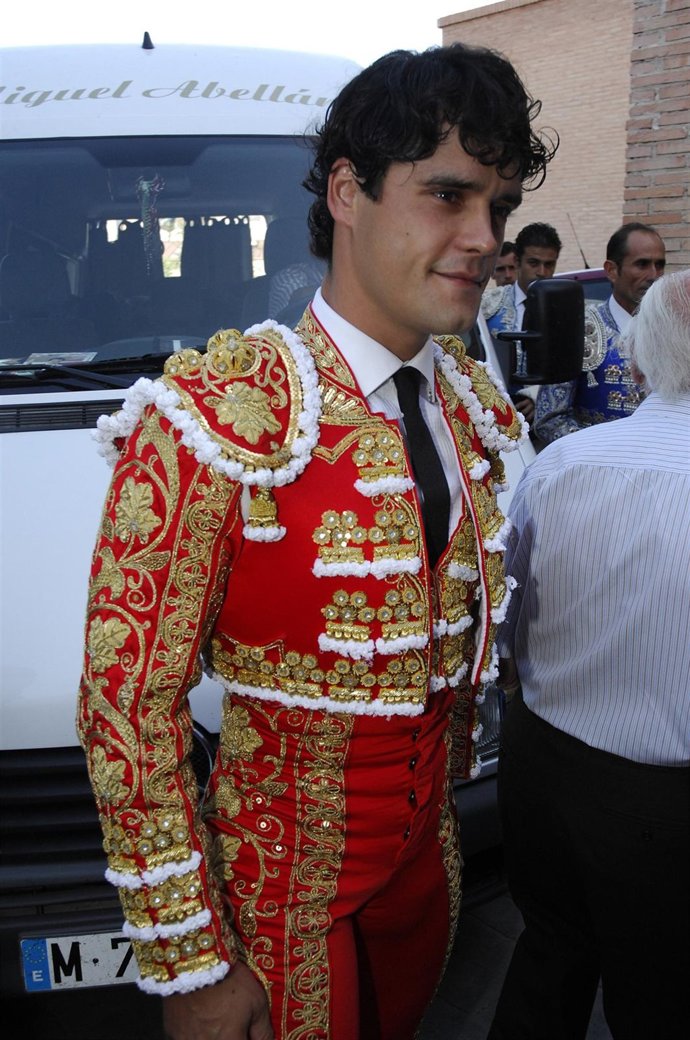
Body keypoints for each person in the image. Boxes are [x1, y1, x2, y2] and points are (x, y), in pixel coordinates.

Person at [77, 43, 555, 1040]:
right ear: (349, 191)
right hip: (278, 903)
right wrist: (193, 964)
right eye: (449, 196)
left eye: (499, 208)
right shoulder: (216, 412)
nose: (484, 238)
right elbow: (129, 707)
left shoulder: (473, 404)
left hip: (433, 877)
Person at [487, 269, 690, 1040]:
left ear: (636, 364)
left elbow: (505, 623)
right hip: (665, 807)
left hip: (545, 771)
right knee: (663, 998)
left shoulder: (565, 464)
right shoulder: (564, 463)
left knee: (550, 959)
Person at [534, 221, 666, 442]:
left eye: (659, 265)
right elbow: (550, 418)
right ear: (612, 270)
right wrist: (603, 453)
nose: (654, 275)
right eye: (642, 264)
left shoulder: (674, 330)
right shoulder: (576, 328)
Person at [481, 221, 562, 422]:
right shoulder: (488, 304)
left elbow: (575, 370)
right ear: (517, 262)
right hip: (491, 418)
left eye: (549, 264)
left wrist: (538, 395)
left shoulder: (565, 309)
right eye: (534, 263)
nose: (542, 272)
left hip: (544, 422)